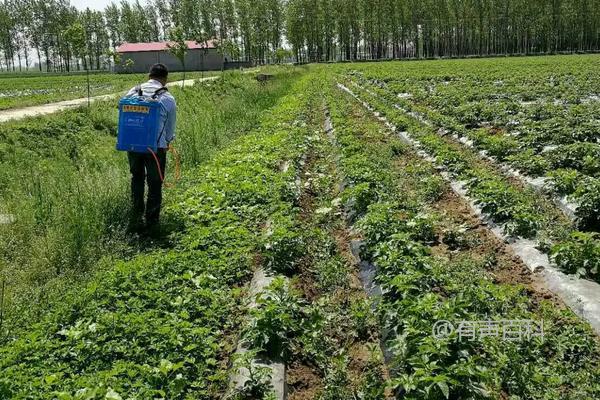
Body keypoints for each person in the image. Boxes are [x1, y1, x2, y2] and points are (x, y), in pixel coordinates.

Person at [125, 63, 177, 232]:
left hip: (133, 144)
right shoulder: (167, 98)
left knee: (137, 178)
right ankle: (152, 221)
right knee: (155, 183)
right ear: (165, 78)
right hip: (155, 148)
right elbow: (170, 127)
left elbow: (122, 108)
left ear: (149, 75)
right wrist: (167, 141)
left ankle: (136, 215)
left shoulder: (134, 91)